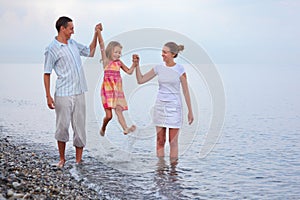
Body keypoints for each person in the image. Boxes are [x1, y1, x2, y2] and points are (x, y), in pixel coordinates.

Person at [43, 16, 101, 167]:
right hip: (63, 93)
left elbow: (91, 52)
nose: (73, 32)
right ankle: (62, 159)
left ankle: (78, 160)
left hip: (79, 91)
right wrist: (48, 96)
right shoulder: (52, 49)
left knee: (79, 127)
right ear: (62, 28)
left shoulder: (73, 43)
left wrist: (96, 33)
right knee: (62, 127)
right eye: (71, 28)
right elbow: (47, 73)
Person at [135, 42, 194, 163]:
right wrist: (137, 65)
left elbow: (186, 91)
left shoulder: (180, 69)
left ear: (173, 54)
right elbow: (141, 80)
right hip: (160, 107)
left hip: (174, 108)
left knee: (173, 142)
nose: (162, 55)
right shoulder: (158, 68)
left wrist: (190, 111)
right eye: (162, 52)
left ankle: (173, 171)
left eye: (165, 52)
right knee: (160, 140)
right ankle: (160, 168)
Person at [96, 24, 136, 136]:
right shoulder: (106, 61)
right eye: (116, 52)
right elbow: (102, 46)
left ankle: (125, 128)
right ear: (110, 51)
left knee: (119, 111)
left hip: (117, 91)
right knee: (109, 116)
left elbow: (129, 71)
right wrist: (98, 32)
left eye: (119, 53)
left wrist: (134, 64)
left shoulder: (119, 63)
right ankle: (103, 128)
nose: (118, 54)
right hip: (107, 92)